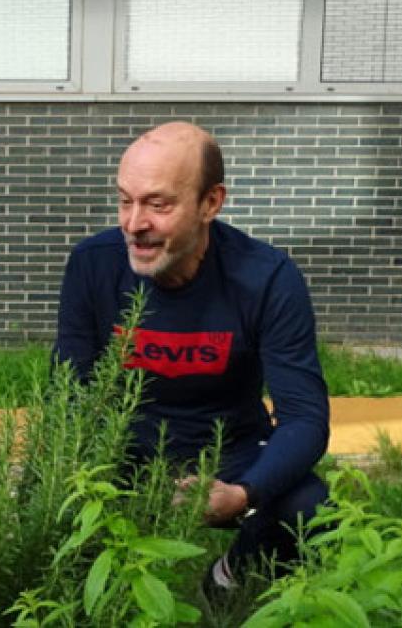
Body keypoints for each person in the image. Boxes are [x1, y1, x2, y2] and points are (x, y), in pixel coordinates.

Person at [53, 122, 330, 591]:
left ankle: (226, 581)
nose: (134, 223)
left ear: (211, 203)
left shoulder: (267, 278)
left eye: (158, 204)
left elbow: (305, 418)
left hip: (231, 450)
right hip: (123, 449)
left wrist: (244, 493)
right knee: (38, 495)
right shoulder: (92, 264)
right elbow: (68, 393)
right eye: (125, 200)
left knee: (311, 510)